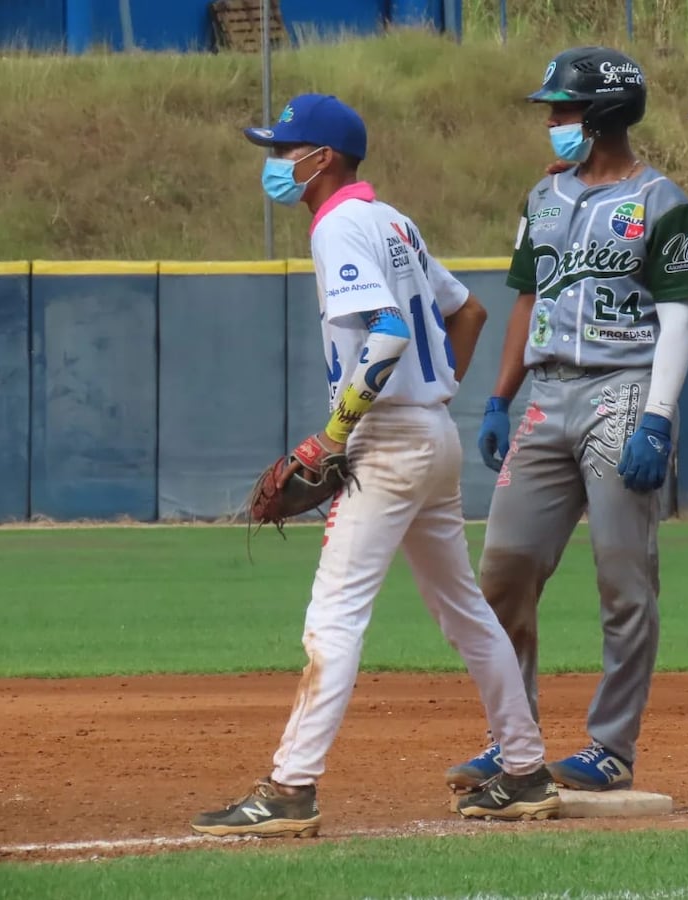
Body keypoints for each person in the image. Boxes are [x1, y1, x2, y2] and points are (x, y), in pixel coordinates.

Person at [191, 94, 560, 836]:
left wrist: (334, 435)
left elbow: (387, 333)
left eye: (284, 150)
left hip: (387, 445)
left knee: (334, 618)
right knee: (466, 614)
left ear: (321, 159)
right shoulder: (393, 220)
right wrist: (439, 396)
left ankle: (291, 788)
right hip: (431, 437)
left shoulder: (337, 226)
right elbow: (470, 314)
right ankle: (523, 770)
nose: (275, 164)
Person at [445, 47, 688, 794]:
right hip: (547, 394)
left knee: (624, 577)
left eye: (562, 110)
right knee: (503, 570)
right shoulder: (544, 197)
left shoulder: (662, 202)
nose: (552, 122)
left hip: (624, 387)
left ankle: (612, 746)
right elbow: (526, 298)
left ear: (600, 117)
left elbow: (679, 316)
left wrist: (657, 417)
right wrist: (499, 396)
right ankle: (513, 737)